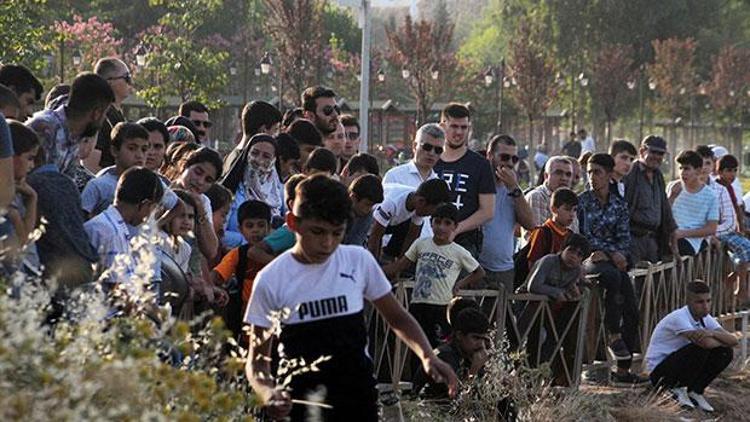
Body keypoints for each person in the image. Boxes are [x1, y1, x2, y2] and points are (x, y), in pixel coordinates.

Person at [244, 174, 457, 421]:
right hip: (303, 403)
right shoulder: (272, 278)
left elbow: (398, 318)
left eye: (337, 233)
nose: (327, 243)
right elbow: (257, 362)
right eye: (318, 232)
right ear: (293, 222)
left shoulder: (358, 261)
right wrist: (268, 391)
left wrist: (428, 356)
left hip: (357, 397)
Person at [579, 153, 644, 385]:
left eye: (597, 172)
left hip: (615, 262)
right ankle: (613, 333)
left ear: (608, 174)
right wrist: (609, 252)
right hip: (590, 261)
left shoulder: (618, 205)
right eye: (589, 172)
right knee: (611, 276)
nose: (592, 177)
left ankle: (623, 372)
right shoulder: (583, 201)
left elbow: (625, 238)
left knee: (632, 309)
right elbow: (584, 236)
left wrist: (617, 254)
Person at [384, 203, 485, 346]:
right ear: (431, 223)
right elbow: (401, 265)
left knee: (437, 348)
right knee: (416, 349)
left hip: (441, 307)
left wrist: (459, 284)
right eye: (437, 222)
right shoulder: (421, 244)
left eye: (447, 223)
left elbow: (479, 272)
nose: (441, 227)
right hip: (418, 305)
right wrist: (375, 271)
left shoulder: (458, 252)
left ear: (454, 227)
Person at [645, 281, 737, 412]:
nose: (705, 306)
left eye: (708, 301)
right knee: (701, 348)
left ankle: (695, 391)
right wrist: (719, 339)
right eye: (699, 302)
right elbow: (706, 343)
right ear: (688, 301)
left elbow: (733, 341)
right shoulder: (679, 317)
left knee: (725, 351)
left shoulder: (705, 318)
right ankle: (676, 388)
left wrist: (712, 333)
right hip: (660, 371)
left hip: (679, 365)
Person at [525, 234, 590, 386]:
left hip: (550, 312)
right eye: (571, 250)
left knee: (552, 343)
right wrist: (556, 292)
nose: (573, 256)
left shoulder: (576, 271)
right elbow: (533, 285)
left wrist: (575, 290)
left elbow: (571, 287)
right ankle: (526, 382)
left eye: (579, 254)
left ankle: (546, 381)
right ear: (562, 249)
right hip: (529, 307)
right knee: (526, 343)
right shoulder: (549, 261)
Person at [84, 167, 164, 287]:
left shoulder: (115, 227)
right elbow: (117, 289)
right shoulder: (110, 232)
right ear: (145, 204)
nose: (150, 216)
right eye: (153, 209)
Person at [435, 103, 495, 258]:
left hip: (465, 242)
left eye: (464, 127)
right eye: (454, 126)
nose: (459, 132)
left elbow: (487, 211)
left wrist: (455, 229)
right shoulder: (431, 160)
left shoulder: (480, 164)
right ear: (442, 126)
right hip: (428, 238)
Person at [26, 72, 114, 174]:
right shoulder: (45, 129)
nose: (103, 120)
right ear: (96, 114)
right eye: (104, 114)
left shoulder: (74, 136)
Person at [478, 134, 534, 293]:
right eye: (504, 157)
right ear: (490, 155)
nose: (509, 163)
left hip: (503, 269)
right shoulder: (478, 183)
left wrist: (514, 189)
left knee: (503, 316)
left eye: (514, 159)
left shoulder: (514, 190)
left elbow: (530, 224)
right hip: (476, 266)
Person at [211, 200, 272, 340]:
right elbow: (216, 276)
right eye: (249, 226)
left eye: (261, 225)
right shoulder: (238, 254)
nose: (255, 230)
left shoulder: (278, 253)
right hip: (247, 318)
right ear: (240, 230)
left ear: (269, 227)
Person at [623, 135, 678, 264]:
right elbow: (624, 208)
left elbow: (664, 208)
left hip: (652, 239)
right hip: (633, 238)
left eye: (660, 154)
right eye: (653, 152)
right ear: (642, 151)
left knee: (654, 279)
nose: (657, 157)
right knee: (635, 277)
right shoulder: (631, 173)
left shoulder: (658, 175)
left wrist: (672, 237)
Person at [221, 134, 284, 246]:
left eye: (266, 156)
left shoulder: (279, 192)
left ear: (274, 160)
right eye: (254, 153)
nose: (258, 160)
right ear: (247, 154)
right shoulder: (230, 190)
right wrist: (247, 240)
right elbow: (219, 233)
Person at [367, 179, 450, 261]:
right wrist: (374, 265)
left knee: (411, 228)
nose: (431, 215)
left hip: (390, 223)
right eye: (432, 211)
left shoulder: (419, 204)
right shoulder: (391, 203)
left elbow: (412, 237)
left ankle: (389, 258)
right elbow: (375, 236)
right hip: (368, 221)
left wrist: (402, 263)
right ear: (422, 202)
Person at [81, 122, 151, 218]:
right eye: (132, 148)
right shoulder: (99, 185)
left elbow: (176, 205)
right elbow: (80, 219)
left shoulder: (151, 183)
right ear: (114, 151)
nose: (139, 155)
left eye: (144, 149)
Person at [171, 147, 222, 261]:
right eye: (198, 172)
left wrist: (200, 209)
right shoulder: (164, 190)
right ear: (185, 166)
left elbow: (211, 251)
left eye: (208, 180)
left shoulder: (203, 202)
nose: (200, 181)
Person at [667, 150, 719, 256]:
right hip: (669, 234)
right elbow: (664, 214)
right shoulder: (672, 187)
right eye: (680, 168)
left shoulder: (711, 195)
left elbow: (711, 228)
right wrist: (671, 197)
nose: (682, 172)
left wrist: (682, 234)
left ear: (698, 171)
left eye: (687, 168)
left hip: (691, 241)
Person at [714, 154, 750, 301]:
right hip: (721, 230)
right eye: (728, 170)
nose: (732, 174)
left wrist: (740, 228)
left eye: (735, 170)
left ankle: (734, 278)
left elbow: (736, 209)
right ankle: (740, 288)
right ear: (719, 171)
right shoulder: (717, 188)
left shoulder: (730, 187)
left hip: (731, 229)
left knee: (744, 251)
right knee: (747, 248)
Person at [523, 156, 578, 240]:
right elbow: (538, 238)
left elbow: (573, 236)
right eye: (558, 173)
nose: (564, 178)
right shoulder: (537, 197)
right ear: (546, 176)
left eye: (568, 174)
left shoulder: (571, 200)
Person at [92, 57, 133, 170]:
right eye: (127, 78)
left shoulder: (117, 114)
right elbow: (90, 164)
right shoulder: (100, 116)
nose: (131, 83)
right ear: (110, 82)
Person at [222, 100, 282, 175]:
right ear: (263, 131)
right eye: (275, 130)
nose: (276, 136)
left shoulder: (230, 157)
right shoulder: (248, 165)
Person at [525, 188, 578, 271]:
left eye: (574, 210)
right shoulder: (542, 233)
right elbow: (532, 264)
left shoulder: (570, 235)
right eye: (567, 209)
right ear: (553, 209)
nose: (572, 214)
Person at [6, 121, 39, 247]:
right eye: (29, 158)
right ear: (11, 156)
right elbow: (24, 241)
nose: (32, 165)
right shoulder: (7, 193)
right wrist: (32, 198)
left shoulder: (18, 186)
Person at [344, 174, 383, 246]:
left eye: (372, 205)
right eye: (367, 204)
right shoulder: (336, 209)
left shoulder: (367, 216)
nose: (368, 209)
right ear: (353, 198)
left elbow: (356, 244)